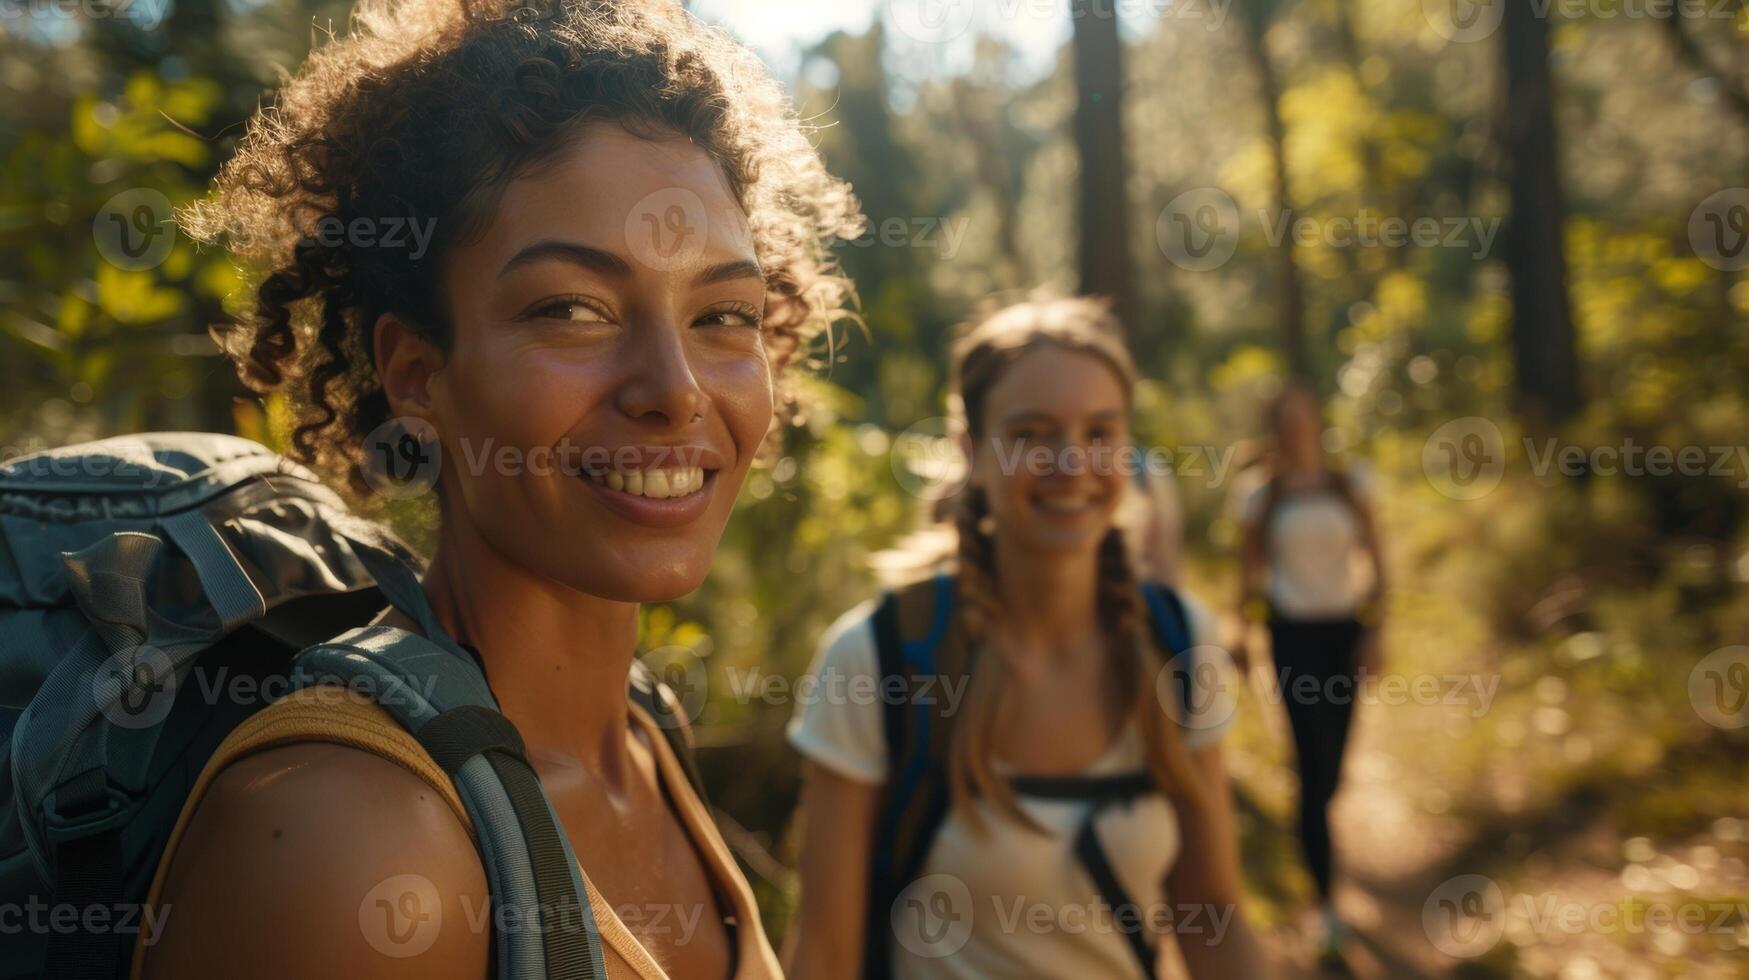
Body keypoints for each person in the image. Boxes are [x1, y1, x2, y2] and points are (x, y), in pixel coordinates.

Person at [137, 1, 858, 977]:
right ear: (419, 373)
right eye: (574, 307)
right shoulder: (356, 842)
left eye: (722, 312)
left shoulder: (647, 736)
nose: (675, 389)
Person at [785, 297, 1266, 979]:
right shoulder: (879, 658)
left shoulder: (1182, 643)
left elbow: (1213, 920)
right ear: (971, 452)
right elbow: (824, 956)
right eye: (1032, 435)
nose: (1071, 461)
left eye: (1100, 431)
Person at [1231, 381, 1387, 960]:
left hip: (1343, 633)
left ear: (1316, 421)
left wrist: (1376, 630)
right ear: (1277, 428)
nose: (1297, 428)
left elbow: (1377, 559)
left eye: (1305, 416)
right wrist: (1241, 635)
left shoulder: (1352, 485)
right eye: (1286, 419)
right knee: (1308, 764)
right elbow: (1246, 575)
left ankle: (1314, 832)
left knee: (1333, 771)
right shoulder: (1260, 497)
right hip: (1290, 637)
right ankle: (1325, 904)